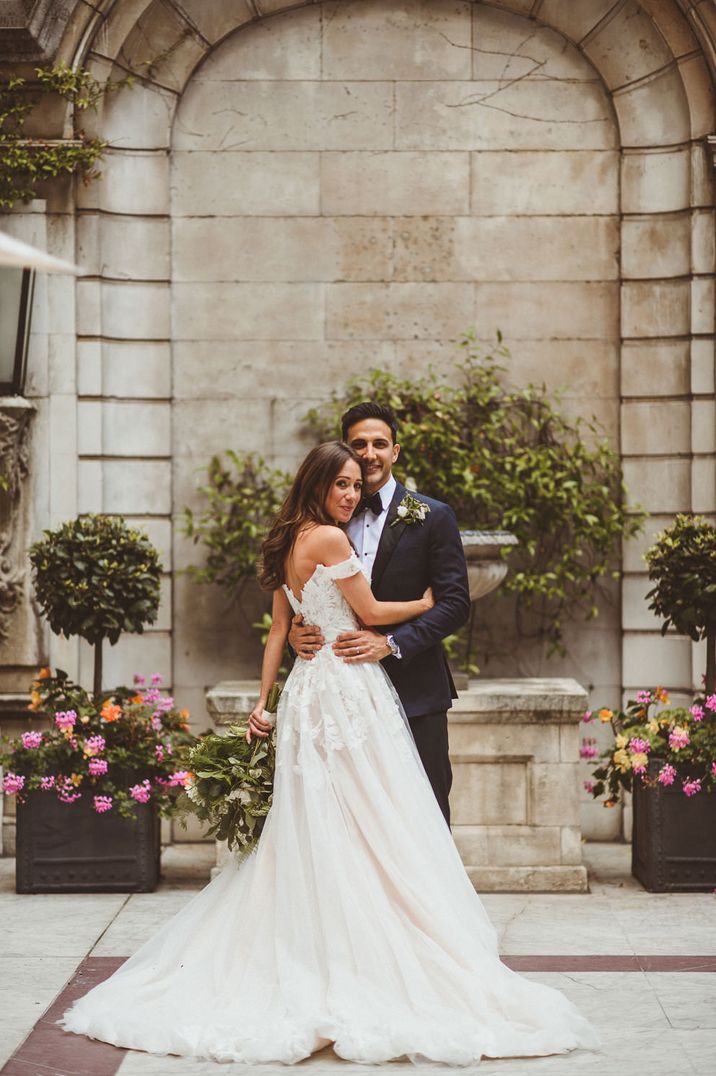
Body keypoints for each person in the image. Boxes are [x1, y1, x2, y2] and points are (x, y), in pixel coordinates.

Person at [60, 441, 598, 1066]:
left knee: (326, 815)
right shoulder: (333, 542)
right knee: (370, 811)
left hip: (309, 693)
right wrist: (424, 604)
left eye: (354, 486)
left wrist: (265, 702)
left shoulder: (288, 541)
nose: (350, 494)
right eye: (340, 484)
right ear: (317, 484)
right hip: (345, 687)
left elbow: (281, 632)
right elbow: (367, 611)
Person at [287, 402, 469, 823]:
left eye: (379, 444)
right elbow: (299, 593)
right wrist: (299, 632)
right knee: (347, 821)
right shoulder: (324, 520)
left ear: (396, 451)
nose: (370, 453)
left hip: (415, 692)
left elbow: (456, 604)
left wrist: (391, 643)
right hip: (338, 697)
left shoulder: (434, 516)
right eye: (359, 444)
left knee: (424, 815)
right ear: (345, 449)